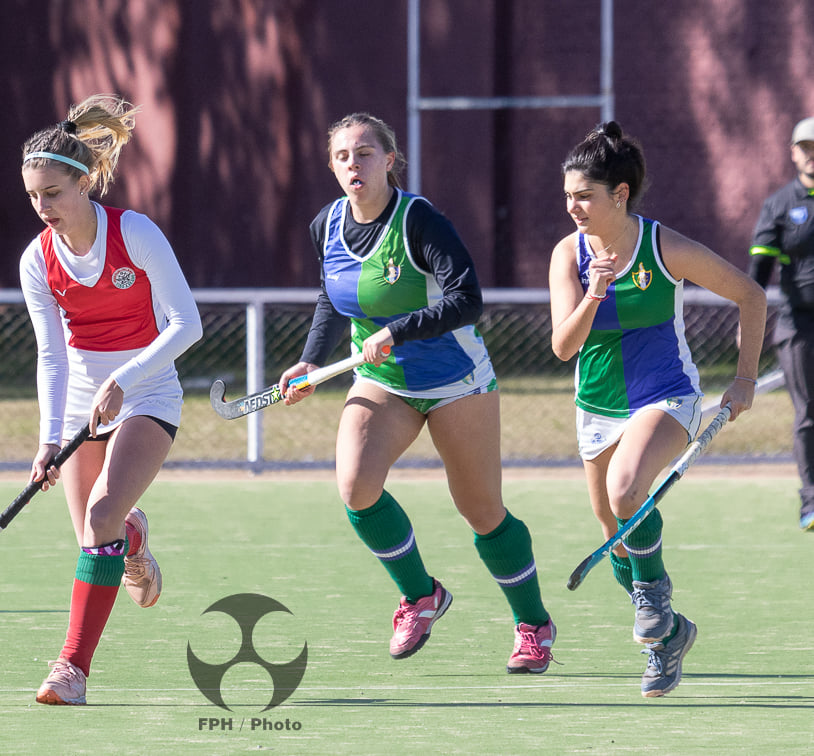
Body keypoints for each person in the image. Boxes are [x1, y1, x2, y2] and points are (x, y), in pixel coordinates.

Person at [279, 112, 558, 675]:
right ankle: (420, 595)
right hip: (384, 381)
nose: (353, 165)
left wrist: (397, 331)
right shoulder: (325, 225)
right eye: (342, 157)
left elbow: (468, 300)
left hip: (457, 380)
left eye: (364, 154)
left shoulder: (420, 221)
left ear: (389, 160)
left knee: (481, 511)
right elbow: (332, 297)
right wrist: (311, 359)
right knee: (357, 488)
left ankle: (533, 624)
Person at [548, 121, 767, 697]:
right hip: (596, 407)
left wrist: (744, 379)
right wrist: (595, 291)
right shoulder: (567, 255)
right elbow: (563, 347)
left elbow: (750, 295)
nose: (572, 207)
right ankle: (669, 637)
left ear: (619, 194)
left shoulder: (663, 246)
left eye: (584, 196)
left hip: (666, 395)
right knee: (615, 536)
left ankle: (654, 599)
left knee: (626, 493)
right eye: (567, 195)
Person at [18, 94, 202, 705]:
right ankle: (133, 537)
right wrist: (49, 441)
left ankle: (71, 670)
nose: (44, 208)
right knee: (94, 539)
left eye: (53, 193)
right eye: (34, 197)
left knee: (99, 520)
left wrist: (125, 377)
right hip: (81, 403)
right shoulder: (37, 260)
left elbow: (187, 324)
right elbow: (51, 354)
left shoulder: (134, 232)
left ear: (85, 182)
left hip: (146, 391)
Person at [747, 116, 814, 531]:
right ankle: (811, 503)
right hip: (798, 327)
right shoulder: (780, 204)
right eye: (806, 148)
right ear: (793, 153)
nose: (812, 155)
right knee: (809, 413)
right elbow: (758, 272)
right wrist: (748, 322)